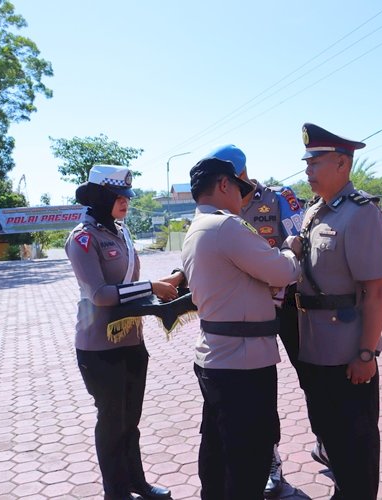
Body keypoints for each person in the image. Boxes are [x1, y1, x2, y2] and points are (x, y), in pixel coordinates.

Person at [181, 157, 302, 499]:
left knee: (218, 449)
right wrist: (291, 251)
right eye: (239, 189)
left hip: (219, 357)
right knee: (248, 457)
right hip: (242, 362)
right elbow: (280, 272)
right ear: (223, 185)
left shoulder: (198, 227)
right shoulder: (227, 226)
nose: (244, 198)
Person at [65, 165, 176, 500]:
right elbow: (99, 294)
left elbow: (130, 286)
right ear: (101, 197)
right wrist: (150, 286)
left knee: (131, 420)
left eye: (127, 195)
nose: (126, 201)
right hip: (99, 346)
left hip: (132, 340)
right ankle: (115, 492)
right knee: (112, 421)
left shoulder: (121, 232)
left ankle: (136, 482)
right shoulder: (82, 239)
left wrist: (168, 283)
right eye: (119, 196)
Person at [292, 122, 382, 499]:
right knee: (329, 433)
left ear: (343, 164)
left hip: (348, 352)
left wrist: (366, 352)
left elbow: (376, 290)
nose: (308, 170)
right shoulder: (315, 212)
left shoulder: (360, 213)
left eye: (316, 162)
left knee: (356, 441)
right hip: (314, 348)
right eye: (307, 162)